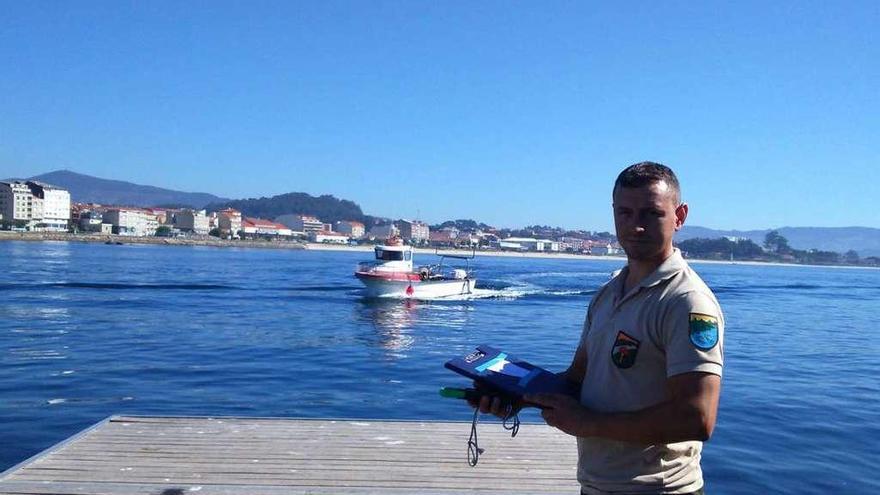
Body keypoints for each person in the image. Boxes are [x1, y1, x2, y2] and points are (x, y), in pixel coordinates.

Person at [476, 162, 724, 494]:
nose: (635, 226)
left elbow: (697, 418)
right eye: (625, 213)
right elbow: (577, 380)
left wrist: (589, 423)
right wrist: (516, 396)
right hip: (597, 486)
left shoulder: (686, 302)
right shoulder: (609, 293)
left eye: (651, 214)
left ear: (679, 216)